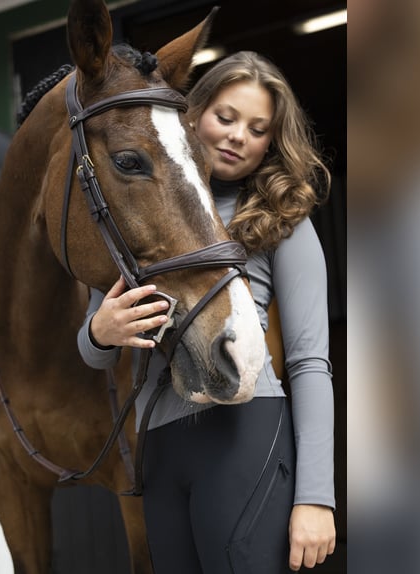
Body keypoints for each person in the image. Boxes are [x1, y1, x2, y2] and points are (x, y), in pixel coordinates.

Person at [77, 51, 336, 573]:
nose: (238, 135)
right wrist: (101, 333)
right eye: (226, 116)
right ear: (192, 116)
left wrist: (317, 496)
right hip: (160, 445)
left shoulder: (284, 220)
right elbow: (94, 349)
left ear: (270, 142)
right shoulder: (133, 209)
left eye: (258, 128)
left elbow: (310, 361)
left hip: (246, 433)